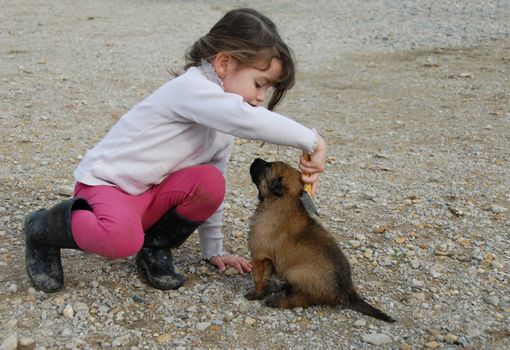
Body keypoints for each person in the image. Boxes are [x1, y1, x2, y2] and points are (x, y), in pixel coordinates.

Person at [23, 8, 327, 293]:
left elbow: (214, 188)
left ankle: (154, 245)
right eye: (259, 84)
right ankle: (41, 228)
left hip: (149, 197)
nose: (261, 97)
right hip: (106, 188)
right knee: (120, 240)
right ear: (224, 63)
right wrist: (312, 141)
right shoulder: (192, 89)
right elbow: (244, 118)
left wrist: (214, 249)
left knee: (211, 182)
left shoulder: (222, 123)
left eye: (267, 90)